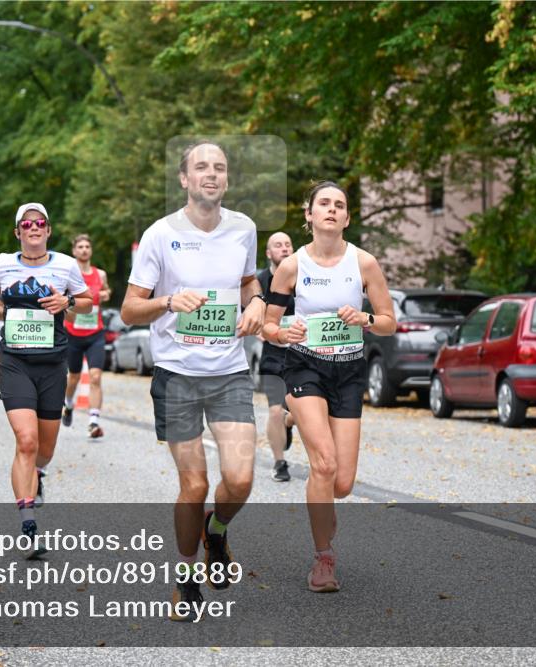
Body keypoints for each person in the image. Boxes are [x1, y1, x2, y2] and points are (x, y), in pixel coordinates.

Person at [121, 141, 266, 620]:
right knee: (195, 483)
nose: (211, 174)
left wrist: (259, 303)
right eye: (201, 167)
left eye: (219, 168)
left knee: (241, 479)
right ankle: (184, 578)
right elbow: (129, 309)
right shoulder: (161, 235)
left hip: (229, 373)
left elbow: (249, 282)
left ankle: (216, 530)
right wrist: (167, 302)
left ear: (227, 179)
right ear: (183, 179)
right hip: (177, 375)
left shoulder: (243, 228)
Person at [262, 181, 396, 592]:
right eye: (324, 204)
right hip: (305, 368)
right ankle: (323, 559)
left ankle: (321, 494)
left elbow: (390, 322)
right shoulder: (292, 267)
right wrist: (284, 333)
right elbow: (268, 326)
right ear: (310, 214)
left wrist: (366, 319)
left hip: (349, 372)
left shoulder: (365, 263)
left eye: (340, 205)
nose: (332, 210)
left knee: (341, 482)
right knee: (322, 464)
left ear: (348, 218)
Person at [0, 202, 92, 557]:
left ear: (48, 230)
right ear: (18, 232)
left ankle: (37, 474)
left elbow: (88, 301)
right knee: (26, 441)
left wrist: (68, 301)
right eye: (26, 223)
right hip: (14, 362)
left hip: (53, 364)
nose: (33, 227)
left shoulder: (65, 265)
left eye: (39, 222)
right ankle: (27, 523)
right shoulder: (2, 263)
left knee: (45, 449)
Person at [257, 232, 298, 482]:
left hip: (302, 353)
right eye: (278, 245)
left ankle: (289, 422)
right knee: (274, 411)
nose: (284, 248)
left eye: (288, 244)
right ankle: (279, 462)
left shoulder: (306, 277)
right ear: (268, 253)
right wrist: (261, 330)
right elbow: (248, 313)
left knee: (297, 410)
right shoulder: (260, 281)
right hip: (273, 353)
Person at [63, 234, 112, 438]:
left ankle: (93, 421)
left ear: (90, 250)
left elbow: (107, 291)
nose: (84, 250)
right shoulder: (69, 275)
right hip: (73, 333)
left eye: (87, 246)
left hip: (95, 333)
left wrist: (105, 294)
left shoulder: (100, 275)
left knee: (95, 376)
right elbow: (61, 300)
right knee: (73, 377)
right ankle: (69, 404)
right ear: (74, 251)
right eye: (80, 246)